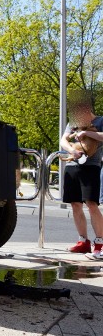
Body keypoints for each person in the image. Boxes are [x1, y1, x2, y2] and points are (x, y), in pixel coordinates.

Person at [60, 98, 103, 259]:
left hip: (91, 166)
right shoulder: (74, 122)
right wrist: (72, 150)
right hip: (73, 166)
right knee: (75, 204)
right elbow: (63, 140)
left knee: (92, 204)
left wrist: (87, 133)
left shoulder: (100, 120)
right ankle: (83, 242)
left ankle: (99, 243)